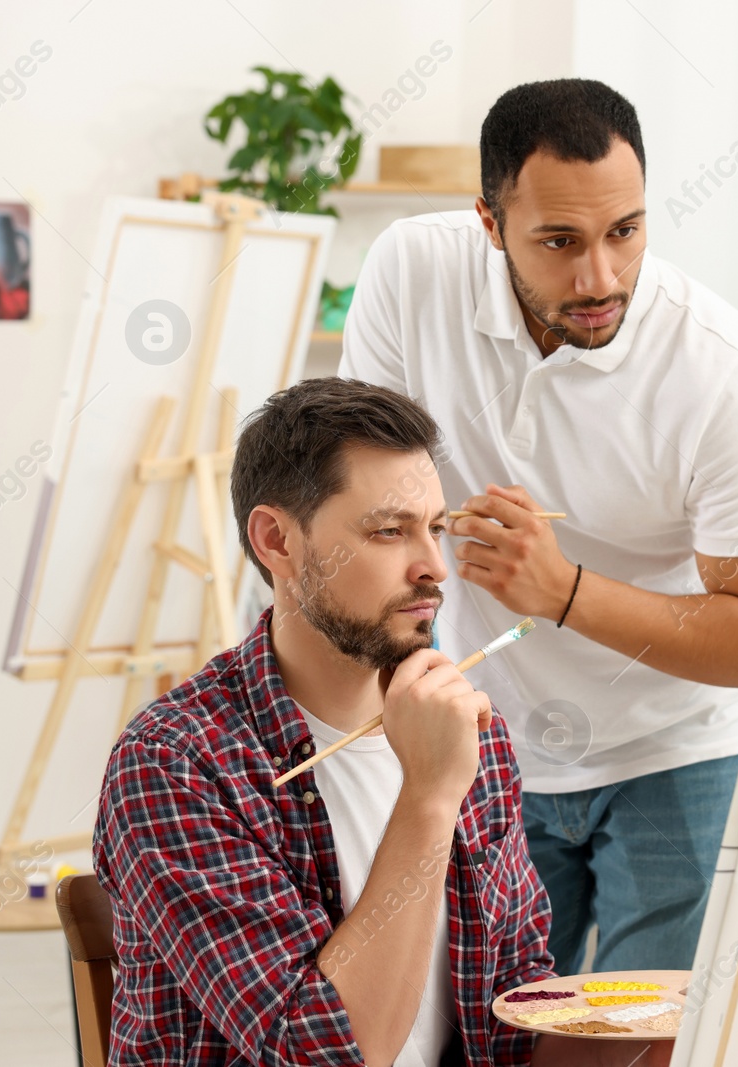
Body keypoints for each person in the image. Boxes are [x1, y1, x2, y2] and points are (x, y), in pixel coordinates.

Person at [339, 79, 738, 974]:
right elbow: (367, 493)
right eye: (559, 241)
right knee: (491, 1032)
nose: (601, 278)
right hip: (492, 742)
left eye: (625, 232)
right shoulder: (411, 270)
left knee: (641, 1041)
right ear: (489, 222)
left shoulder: (726, 372)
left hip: (680, 750)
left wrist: (565, 593)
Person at [92, 377, 672, 1066]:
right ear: (276, 540)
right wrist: (429, 796)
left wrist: (650, 1036)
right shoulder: (175, 763)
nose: (435, 568)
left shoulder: (470, 733)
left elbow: (513, 1028)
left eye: (435, 527)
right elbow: (326, 1052)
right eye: (389, 531)